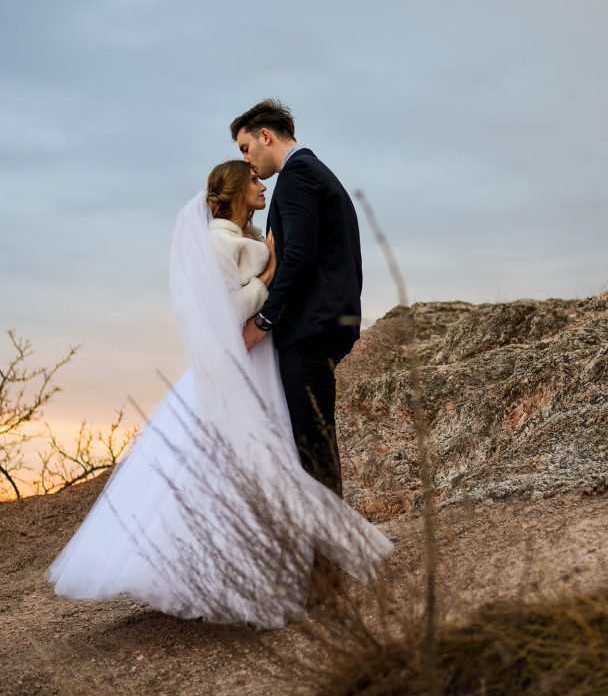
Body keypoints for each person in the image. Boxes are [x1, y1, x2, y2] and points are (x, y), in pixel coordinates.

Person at [46, 161, 391, 629]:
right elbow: (224, 309)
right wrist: (268, 276)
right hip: (242, 361)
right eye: (251, 179)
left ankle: (281, 568)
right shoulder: (216, 241)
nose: (261, 183)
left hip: (260, 360)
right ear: (233, 189)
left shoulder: (244, 235)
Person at [231, 99, 361, 498]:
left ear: (265, 136)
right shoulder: (316, 172)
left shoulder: (298, 175)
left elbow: (300, 258)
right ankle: (328, 549)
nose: (247, 161)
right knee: (314, 439)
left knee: (312, 447)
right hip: (322, 324)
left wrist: (263, 321)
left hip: (308, 328)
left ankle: (331, 553)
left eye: (245, 148)